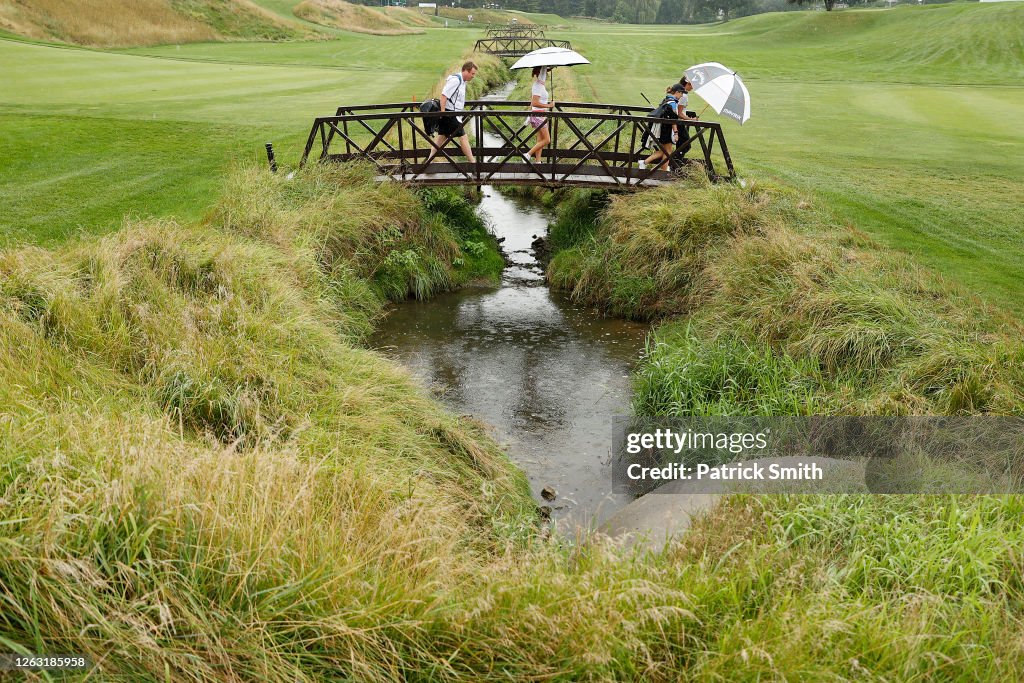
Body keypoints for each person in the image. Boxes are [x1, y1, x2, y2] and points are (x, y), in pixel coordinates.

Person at [426, 61, 478, 165]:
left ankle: (428, 162)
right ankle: (473, 163)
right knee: (463, 136)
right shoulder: (455, 80)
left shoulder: (463, 81)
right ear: (466, 71)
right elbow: (444, 96)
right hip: (450, 115)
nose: (473, 76)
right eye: (472, 73)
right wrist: (443, 113)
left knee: (441, 138)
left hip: (453, 114)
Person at [641, 83, 685, 171]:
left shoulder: (666, 99)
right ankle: (649, 164)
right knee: (667, 152)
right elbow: (673, 120)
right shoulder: (673, 103)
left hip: (662, 129)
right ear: (677, 92)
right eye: (682, 93)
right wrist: (676, 133)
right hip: (666, 130)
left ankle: (661, 168)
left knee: (665, 151)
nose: (682, 95)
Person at [524, 66, 555, 163]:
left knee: (540, 140)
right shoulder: (537, 85)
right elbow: (534, 102)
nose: (546, 75)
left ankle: (538, 162)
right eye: (544, 73)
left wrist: (551, 67)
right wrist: (549, 105)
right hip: (538, 116)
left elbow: (532, 102)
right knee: (547, 140)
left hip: (541, 115)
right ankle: (528, 154)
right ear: (540, 74)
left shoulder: (540, 85)